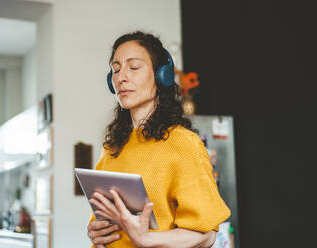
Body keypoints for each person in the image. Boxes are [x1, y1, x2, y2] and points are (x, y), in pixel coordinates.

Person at [87, 31, 230, 248]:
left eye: (133, 67)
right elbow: (103, 220)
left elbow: (206, 234)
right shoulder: (112, 147)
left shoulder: (183, 144)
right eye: (115, 69)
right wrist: (97, 232)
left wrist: (146, 239)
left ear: (161, 75)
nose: (121, 77)